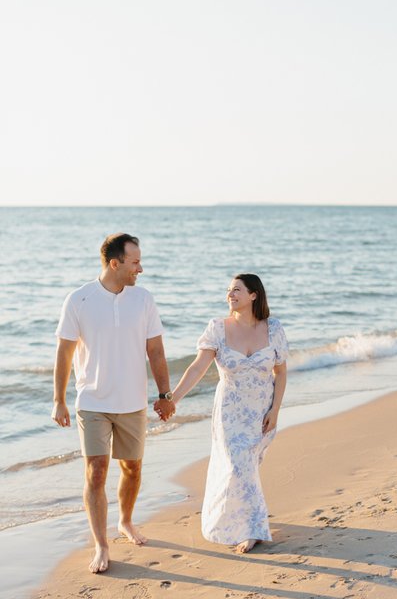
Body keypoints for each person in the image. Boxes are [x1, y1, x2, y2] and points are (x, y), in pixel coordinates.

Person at [52, 233, 175, 574]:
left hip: (133, 401)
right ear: (115, 263)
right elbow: (64, 352)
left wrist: (165, 395)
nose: (141, 268)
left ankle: (125, 521)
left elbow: (156, 351)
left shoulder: (143, 299)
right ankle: (101, 545)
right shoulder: (79, 299)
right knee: (96, 471)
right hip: (92, 401)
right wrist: (58, 400)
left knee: (132, 468)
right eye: (135, 262)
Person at [171, 274, 288, 553]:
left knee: (247, 466)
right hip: (230, 412)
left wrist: (275, 410)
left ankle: (243, 518)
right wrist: (172, 398)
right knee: (237, 465)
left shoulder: (273, 328)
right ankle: (253, 528)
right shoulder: (217, 329)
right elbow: (198, 368)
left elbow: (280, 372)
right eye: (228, 291)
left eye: (237, 290)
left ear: (253, 296)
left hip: (261, 409)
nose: (230, 295)